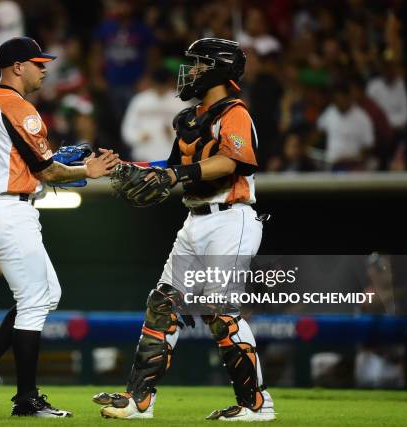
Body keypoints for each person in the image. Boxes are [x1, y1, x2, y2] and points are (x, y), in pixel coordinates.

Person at [93, 38, 275, 421]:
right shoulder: (190, 117)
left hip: (232, 216)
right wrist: (129, 167)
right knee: (163, 304)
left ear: (218, 69)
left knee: (222, 313)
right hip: (195, 219)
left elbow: (234, 161)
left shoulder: (235, 112)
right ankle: (139, 400)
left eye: (197, 64)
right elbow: (172, 165)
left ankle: (256, 405)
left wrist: (176, 172)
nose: (190, 72)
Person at [0, 37, 119, 418]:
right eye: (37, 63)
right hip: (9, 211)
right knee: (33, 300)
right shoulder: (18, 106)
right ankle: (26, 398)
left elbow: (11, 160)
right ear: (17, 66)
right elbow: (47, 171)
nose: (44, 69)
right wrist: (87, 171)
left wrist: (49, 164)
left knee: (47, 294)